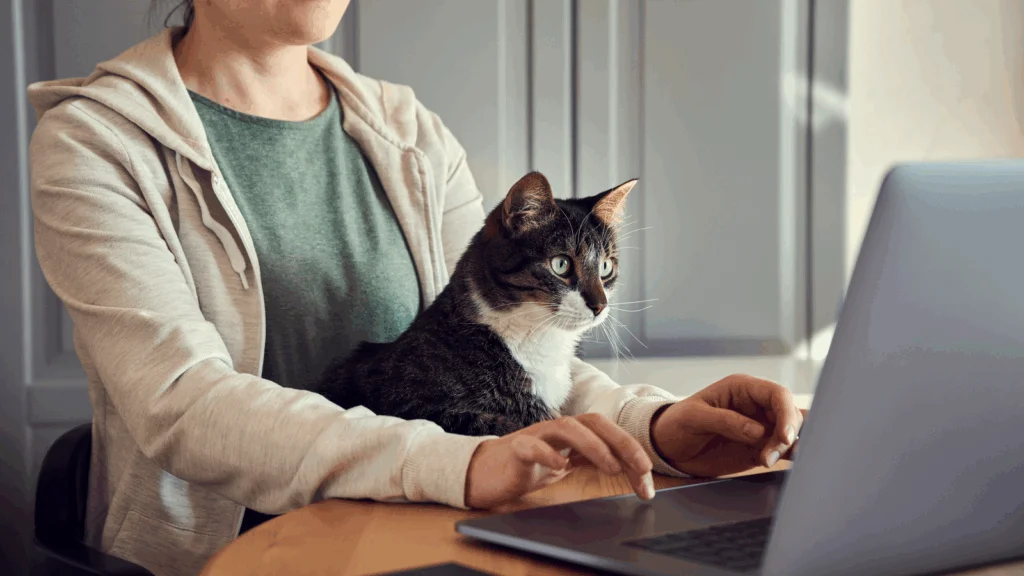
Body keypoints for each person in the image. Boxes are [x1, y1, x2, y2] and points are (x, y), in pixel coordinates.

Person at [27, 1, 805, 574]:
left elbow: (516, 349)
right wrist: (457, 462)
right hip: (228, 552)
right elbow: (182, 403)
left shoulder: (406, 129)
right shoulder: (95, 143)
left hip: (430, 527)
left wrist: (656, 427)